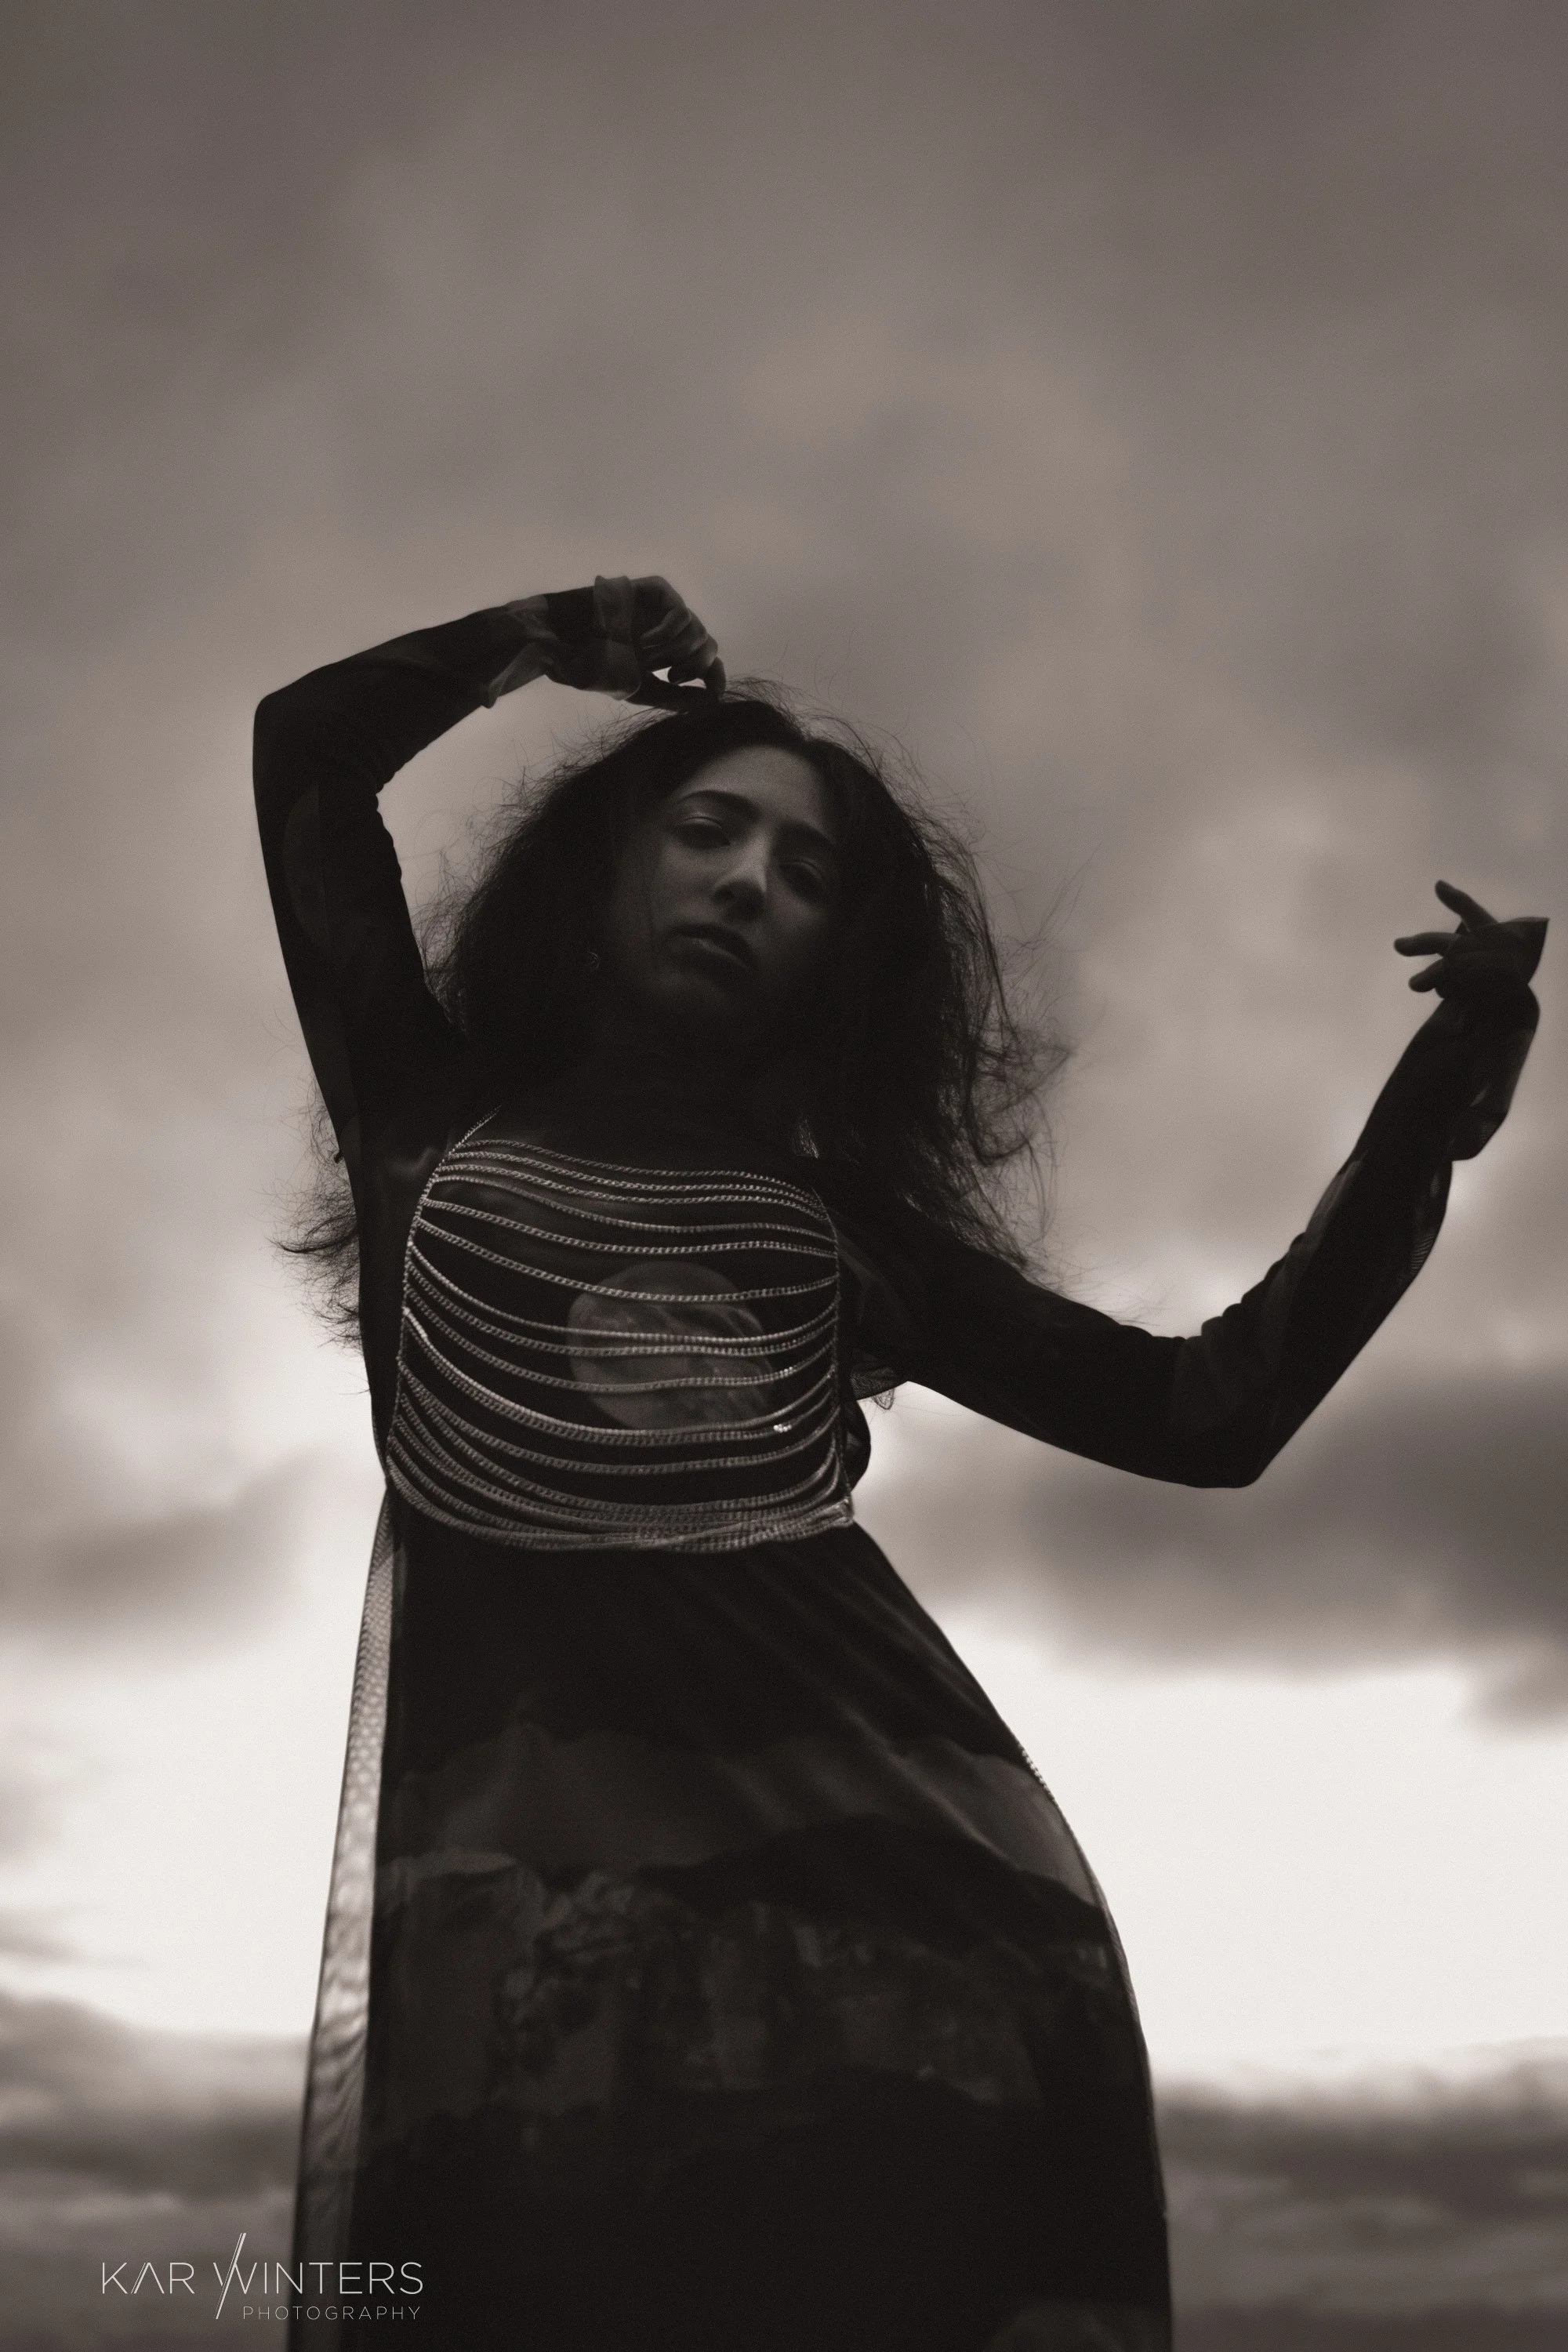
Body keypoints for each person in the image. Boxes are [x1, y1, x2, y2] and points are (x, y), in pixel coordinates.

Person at [255, 575, 1544, 2352]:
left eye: (803, 878)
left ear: (837, 962)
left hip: (916, 1916)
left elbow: (1210, 1416)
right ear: (603, 862)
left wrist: (1440, 1093)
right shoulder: (421, 1105)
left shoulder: (842, 1233)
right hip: (535, 1924)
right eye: (708, 830)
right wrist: (550, 637)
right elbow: (306, 755)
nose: (745, 885)